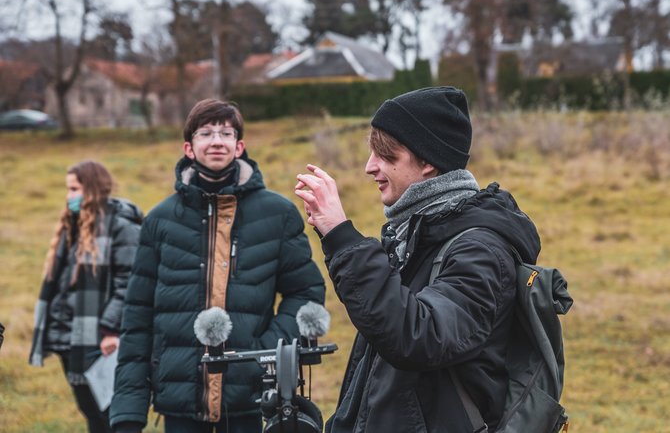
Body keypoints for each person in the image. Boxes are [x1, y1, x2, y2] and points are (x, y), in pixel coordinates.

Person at [295, 86, 542, 432]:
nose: (370, 167)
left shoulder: (482, 249)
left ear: (428, 161)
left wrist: (341, 236)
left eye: (386, 155)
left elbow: (419, 336)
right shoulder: (417, 231)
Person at [110, 99, 326, 433]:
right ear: (189, 147)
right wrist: (127, 411)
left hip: (251, 401)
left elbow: (306, 292)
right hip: (178, 398)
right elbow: (137, 317)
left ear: (239, 146)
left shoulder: (278, 214)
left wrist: (262, 353)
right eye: (206, 132)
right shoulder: (159, 220)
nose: (216, 140)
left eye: (226, 133)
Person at [29, 160, 143, 433]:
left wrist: (111, 329)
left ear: (92, 189)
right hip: (70, 336)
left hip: (100, 340)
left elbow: (130, 282)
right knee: (90, 411)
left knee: (108, 413)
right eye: (68, 190)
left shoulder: (122, 227)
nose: (69, 197)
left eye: (74, 189)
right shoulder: (75, 225)